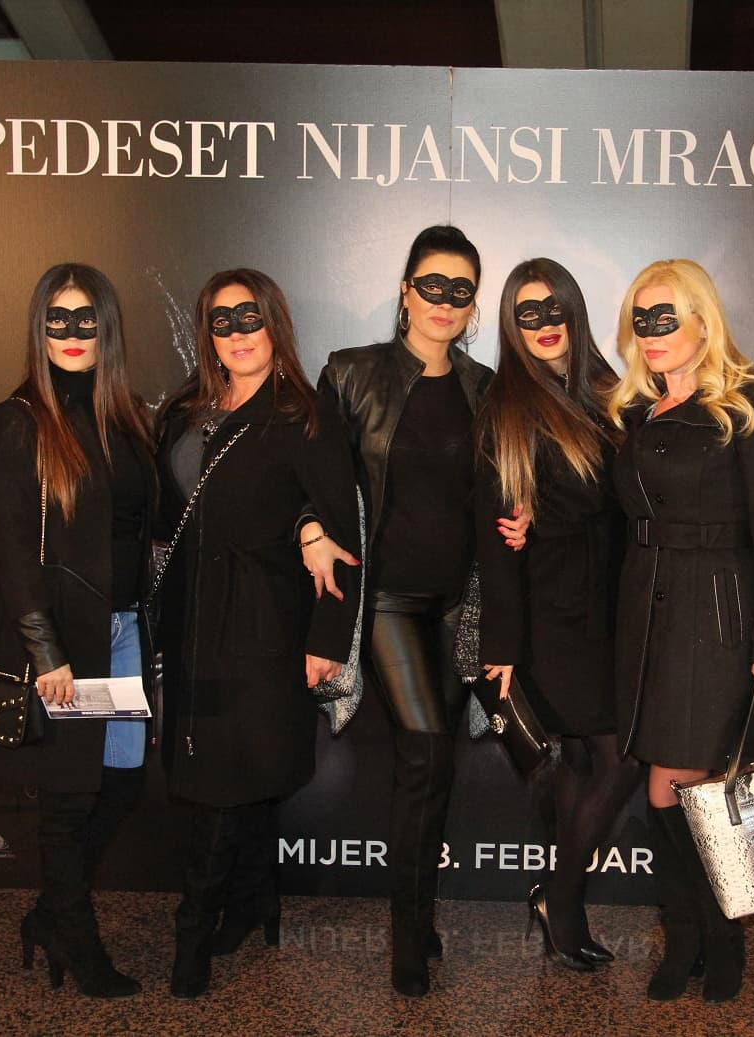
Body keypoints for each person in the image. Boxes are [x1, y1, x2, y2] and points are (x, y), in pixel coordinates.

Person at [300, 225, 526, 998]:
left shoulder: (486, 388)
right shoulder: (350, 373)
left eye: (461, 290)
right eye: (432, 284)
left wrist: (527, 510)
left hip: (458, 604)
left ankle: (421, 917)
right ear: (405, 289)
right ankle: (407, 939)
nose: (445, 301)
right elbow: (317, 481)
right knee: (425, 750)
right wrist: (310, 530)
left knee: (435, 769)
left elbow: (507, 488)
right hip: (388, 602)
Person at [153, 269, 360, 999]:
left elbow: (342, 529)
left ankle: (193, 935)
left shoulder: (303, 414)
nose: (238, 334)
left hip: (263, 626)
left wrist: (327, 638)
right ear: (206, 333)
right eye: (222, 321)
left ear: (274, 323)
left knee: (224, 778)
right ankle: (255, 901)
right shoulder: (185, 411)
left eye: (250, 318)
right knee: (227, 775)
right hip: (189, 623)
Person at [607, 259, 754, 1003]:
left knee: (695, 786)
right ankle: (685, 931)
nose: (651, 333)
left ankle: (721, 939)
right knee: (664, 787)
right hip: (648, 616)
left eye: (665, 317)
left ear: (702, 320)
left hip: (718, 617)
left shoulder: (750, 403)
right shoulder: (633, 408)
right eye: (640, 320)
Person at [0, 263, 155, 998]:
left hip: (124, 631)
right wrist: (45, 651)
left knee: (122, 780)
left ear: (107, 328)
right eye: (58, 319)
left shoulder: (126, 417)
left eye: (87, 319)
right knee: (68, 797)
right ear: (39, 328)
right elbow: (13, 551)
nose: (73, 333)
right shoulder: (16, 421)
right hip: (67, 644)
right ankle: (77, 938)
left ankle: (51, 913)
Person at [473, 258, 640, 971]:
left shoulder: (615, 392)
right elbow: (493, 539)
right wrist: (503, 647)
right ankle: (562, 897)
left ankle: (559, 897)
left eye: (554, 309)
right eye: (527, 313)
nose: (543, 324)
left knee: (586, 757)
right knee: (617, 754)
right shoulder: (505, 408)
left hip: (617, 606)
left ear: (574, 311)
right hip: (553, 615)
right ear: (511, 325)